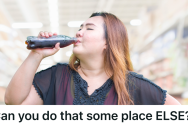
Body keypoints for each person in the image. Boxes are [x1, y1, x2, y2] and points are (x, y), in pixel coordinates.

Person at [5, 12, 180, 105]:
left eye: (89, 29)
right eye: (80, 27)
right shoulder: (56, 76)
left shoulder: (131, 85)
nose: (79, 32)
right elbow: (14, 103)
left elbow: (175, 113)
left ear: (108, 42)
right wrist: (36, 54)